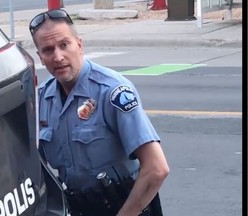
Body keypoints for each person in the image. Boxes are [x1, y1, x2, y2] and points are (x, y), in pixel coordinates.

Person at [29, 9, 169, 216]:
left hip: (127, 206)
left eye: (64, 45)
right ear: (40, 57)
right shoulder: (42, 99)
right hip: (79, 207)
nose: (58, 57)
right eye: (48, 50)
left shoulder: (112, 91)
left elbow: (157, 169)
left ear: (79, 45)